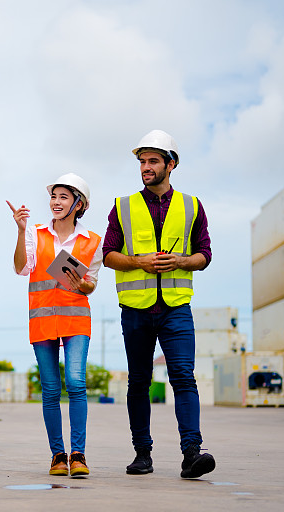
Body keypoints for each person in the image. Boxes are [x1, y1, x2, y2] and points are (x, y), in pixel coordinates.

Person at [102, 130, 215, 479]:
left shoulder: (192, 206)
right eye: (142, 161)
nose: (145, 167)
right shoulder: (122, 206)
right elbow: (108, 255)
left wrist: (180, 261)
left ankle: (192, 453)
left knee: (183, 377)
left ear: (171, 164)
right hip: (136, 308)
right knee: (139, 381)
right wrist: (140, 262)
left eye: (152, 161)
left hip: (175, 308)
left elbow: (205, 255)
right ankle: (142, 453)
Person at [7, 173, 103, 477]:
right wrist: (21, 231)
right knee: (50, 390)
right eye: (54, 197)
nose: (56, 202)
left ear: (79, 204)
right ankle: (58, 456)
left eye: (63, 197)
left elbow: (91, 285)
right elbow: (22, 268)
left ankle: (78, 454)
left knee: (75, 383)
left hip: (76, 319)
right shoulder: (36, 233)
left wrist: (82, 284)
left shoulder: (93, 242)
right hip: (42, 319)